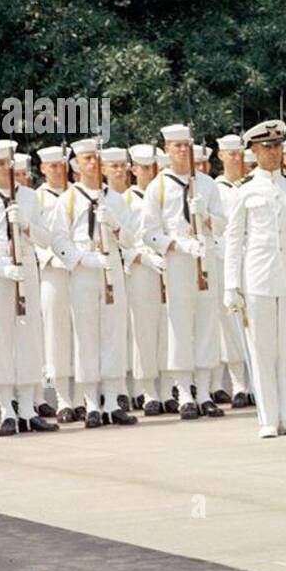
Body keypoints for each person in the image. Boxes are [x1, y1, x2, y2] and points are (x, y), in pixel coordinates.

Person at [223, 119, 286, 437]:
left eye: (278, 146)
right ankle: (267, 419)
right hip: (258, 279)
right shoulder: (245, 191)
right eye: (267, 147)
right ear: (254, 150)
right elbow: (234, 240)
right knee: (262, 350)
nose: (274, 152)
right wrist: (231, 286)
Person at [0, 140, 58, 436]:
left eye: (9, 163)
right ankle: (7, 408)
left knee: (28, 337)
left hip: (27, 269)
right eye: (0, 164)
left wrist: (27, 226)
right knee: (0, 340)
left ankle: (29, 408)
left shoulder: (30, 197)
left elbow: (47, 239)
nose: (6, 168)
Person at [50, 138, 136, 427]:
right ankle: (90, 402)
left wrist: (114, 224)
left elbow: (130, 239)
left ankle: (112, 400)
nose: (92, 163)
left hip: (111, 266)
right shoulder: (68, 200)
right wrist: (80, 258)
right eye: (86, 159)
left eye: (96, 158)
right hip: (85, 268)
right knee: (85, 335)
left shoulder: (115, 199)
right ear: (77, 164)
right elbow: (57, 239)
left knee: (113, 332)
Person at [141, 123, 226, 419]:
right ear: (167, 150)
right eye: (176, 146)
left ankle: (204, 392)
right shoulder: (158, 187)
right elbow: (148, 233)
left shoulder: (206, 183)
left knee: (206, 324)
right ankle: (185, 392)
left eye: (186, 146)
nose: (182, 151)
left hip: (206, 259)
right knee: (179, 326)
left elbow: (224, 223)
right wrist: (176, 245)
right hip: (179, 261)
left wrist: (206, 216)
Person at [123, 144, 168, 414]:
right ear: (134, 170)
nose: (149, 172)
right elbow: (122, 240)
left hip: (166, 265)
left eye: (153, 167)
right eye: (143, 167)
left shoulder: (163, 193)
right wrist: (142, 257)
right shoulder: (126, 200)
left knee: (167, 330)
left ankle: (167, 390)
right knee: (143, 331)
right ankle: (148, 391)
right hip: (141, 268)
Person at [33, 145, 75, 420]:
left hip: (80, 269)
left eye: (62, 165)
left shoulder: (79, 193)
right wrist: (50, 257)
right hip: (52, 272)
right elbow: (32, 236)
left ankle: (85, 393)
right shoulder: (35, 198)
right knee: (55, 337)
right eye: (53, 166)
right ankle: (61, 397)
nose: (59, 170)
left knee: (81, 335)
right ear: (42, 169)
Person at [212, 134, 253, 409]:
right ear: (220, 156)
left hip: (254, 258)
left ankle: (259, 381)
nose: (236, 157)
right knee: (230, 324)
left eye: (239, 153)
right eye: (230, 153)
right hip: (226, 258)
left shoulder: (253, 184)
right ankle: (239, 383)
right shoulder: (214, 188)